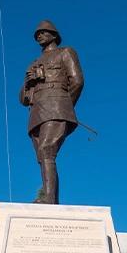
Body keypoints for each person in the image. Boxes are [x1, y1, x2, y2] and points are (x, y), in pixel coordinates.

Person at [19, 20, 84, 204]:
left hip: (56, 107)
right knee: (43, 156)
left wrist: (64, 104)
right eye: (37, 34)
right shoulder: (34, 63)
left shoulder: (65, 52)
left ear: (54, 35)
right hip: (37, 113)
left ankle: (48, 198)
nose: (39, 35)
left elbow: (77, 81)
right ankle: (51, 199)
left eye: (44, 32)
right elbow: (23, 99)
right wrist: (29, 83)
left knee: (47, 150)